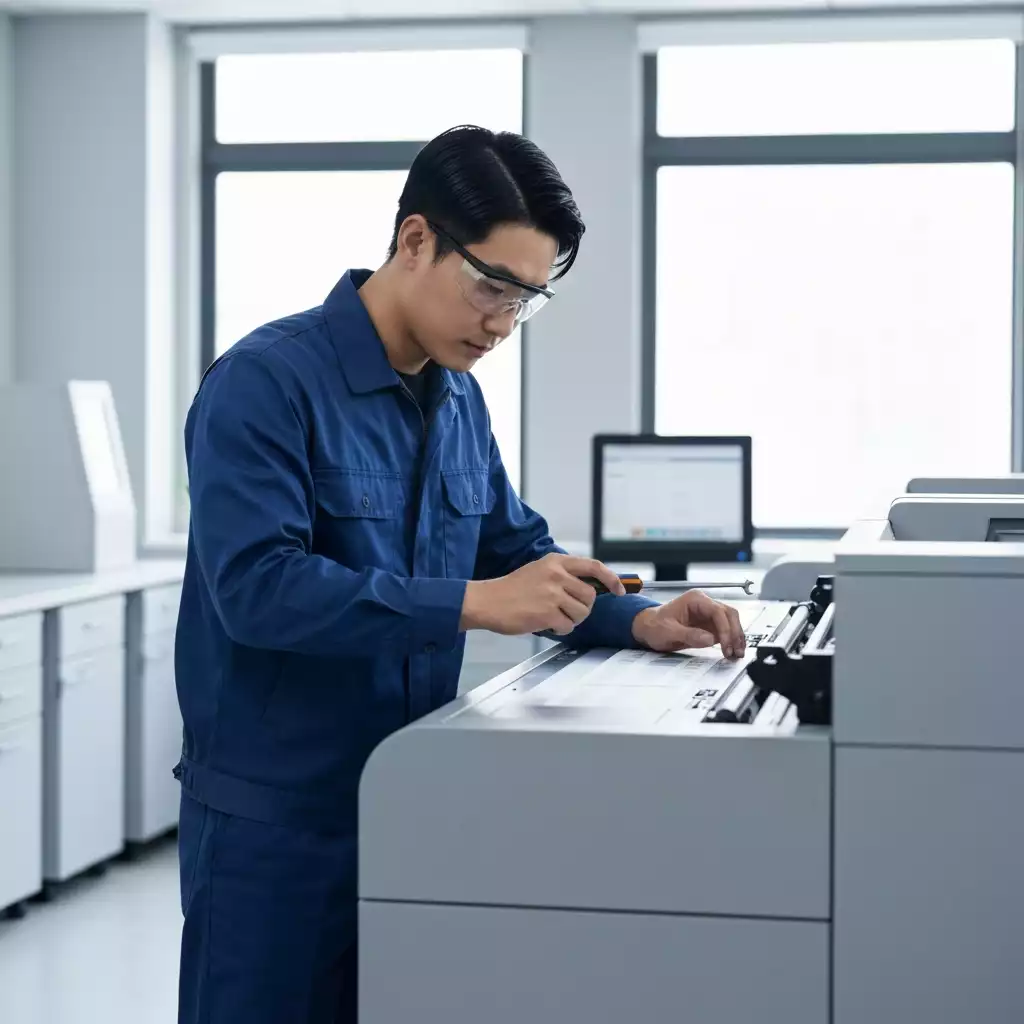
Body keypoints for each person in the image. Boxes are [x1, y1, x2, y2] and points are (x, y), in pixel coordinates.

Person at [174, 124, 745, 1024]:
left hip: (415, 796)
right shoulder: (265, 383)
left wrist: (635, 621)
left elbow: (511, 549)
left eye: (528, 301)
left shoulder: (458, 396)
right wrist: (475, 604)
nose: (503, 324)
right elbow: (256, 591)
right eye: (492, 287)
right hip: (276, 826)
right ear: (414, 241)